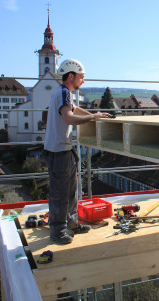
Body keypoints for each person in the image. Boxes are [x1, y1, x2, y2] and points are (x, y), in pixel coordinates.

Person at [44, 59, 111, 244]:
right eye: (81, 77)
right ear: (71, 76)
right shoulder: (64, 92)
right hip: (58, 152)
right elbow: (69, 118)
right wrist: (92, 118)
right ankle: (58, 232)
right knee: (61, 193)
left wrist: (94, 113)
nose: (83, 80)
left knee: (72, 190)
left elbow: (74, 109)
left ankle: (72, 224)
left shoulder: (63, 92)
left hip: (62, 150)